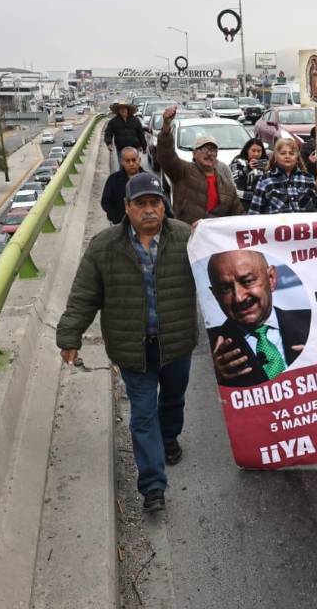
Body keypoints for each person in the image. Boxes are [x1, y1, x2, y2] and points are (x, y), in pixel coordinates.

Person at [56, 173, 199, 514]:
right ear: (127, 207)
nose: (149, 210)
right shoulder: (104, 246)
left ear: (164, 206)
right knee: (143, 414)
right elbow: (84, 296)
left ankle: (169, 439)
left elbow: (219, 273)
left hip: (176, 343)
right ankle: (152, 486)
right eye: (141, 204)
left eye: (156, 203)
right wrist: (69, 335)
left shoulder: (186, 238)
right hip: (132, 348)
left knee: (174, 399)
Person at [207, 249, 311, 387]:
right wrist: (213, 379)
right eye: (225, 289)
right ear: (215, 295)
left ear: (271, 278)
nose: (239, 297)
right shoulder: (208, 351)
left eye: (247, 281)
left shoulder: (314, 323)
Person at [157, 104, 243, 225]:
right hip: (188, 235)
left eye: (213, 150)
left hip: (216, 238)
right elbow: (166, 157)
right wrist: (166, 127)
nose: (209, 154)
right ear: (194, 153)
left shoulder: (226, 183)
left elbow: (239, 215)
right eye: (204, 149)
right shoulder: (183, 171)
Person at [248, 138, 317, 214]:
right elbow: (254, 213)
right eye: (283, 153)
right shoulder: (265, 181)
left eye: (291, 153)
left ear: (297, 157)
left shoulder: (308, 178)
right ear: (276, 156)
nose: (287, 156)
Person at [100, 147, 142, 224]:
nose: (131, 164)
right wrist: (117, 217)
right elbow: (105, 202)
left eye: (134, 160)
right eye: (127, 161)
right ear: (122, 162)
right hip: (120, 224)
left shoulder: (149, 180)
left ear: (139, 160)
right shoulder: (113, 180)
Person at [230, 138, 269, 210]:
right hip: (242, 201)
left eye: (259, 151)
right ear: (247, 150)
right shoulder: (238, 161)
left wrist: (266, 169)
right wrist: (248, 168)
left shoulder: (265, 161)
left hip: (261, 199)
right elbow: (234, 178)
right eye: (253, 151)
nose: (256, 154)